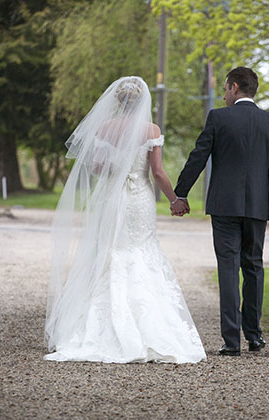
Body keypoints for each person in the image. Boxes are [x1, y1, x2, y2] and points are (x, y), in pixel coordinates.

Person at [44, 76, 206, 364]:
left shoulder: (105, 128)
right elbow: (157, 173)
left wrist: (116, 169)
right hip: (138, 198)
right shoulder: (151, 130)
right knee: (141, 251)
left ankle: (96, 329)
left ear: (118, 101)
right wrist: (174, 199)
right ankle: (149, 328)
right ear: (143, 101)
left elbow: (95, 167)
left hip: (111, 197)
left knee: (109, 252)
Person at [172, 66, 269, 356]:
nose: (224, 95)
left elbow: (198, 156)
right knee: (253, 266)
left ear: (236, 88)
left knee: (228, 268)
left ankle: (231, 341)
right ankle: (254, 336)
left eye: (226, 89)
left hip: (224, 206)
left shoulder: (218, 118)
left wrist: (181, 193)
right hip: (256, 206)